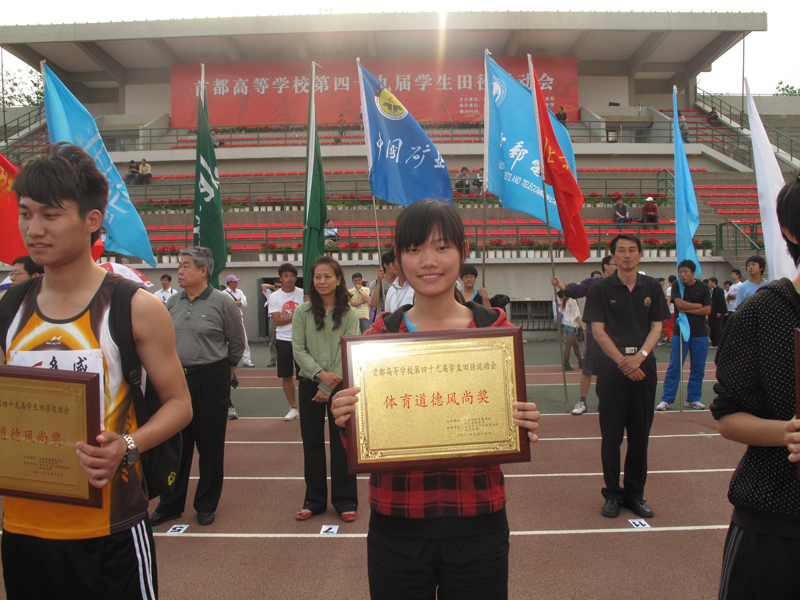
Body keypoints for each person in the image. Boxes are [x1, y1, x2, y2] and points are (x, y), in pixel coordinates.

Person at [2, 142, 192, 598]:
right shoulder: (9, 308)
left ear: (92, 220)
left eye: (50, 215)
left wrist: (127, 446)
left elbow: (179, 404)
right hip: (23, 525)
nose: (34, 229)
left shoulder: (134, 307)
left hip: (110, 527)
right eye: (26, 214)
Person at [331, 200, 540, 600]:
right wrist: (345, 419)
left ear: (463, 251)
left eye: (442, 247)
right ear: (398, 259)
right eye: (414, 249)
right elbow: (359, 442)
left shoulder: (495, 332)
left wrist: (523, 420)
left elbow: (509, 418)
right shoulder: (378, 340)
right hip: (398, 524)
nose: (428, 261)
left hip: (479, 520)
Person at [712, 177, 800, 599]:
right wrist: (787, 433)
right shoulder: (765, 311)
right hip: (777, 520)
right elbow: (728, 417)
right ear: (791, 232)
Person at [150, 247, 244, 529]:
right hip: (177, 380)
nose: (179, 271)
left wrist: (226, 371)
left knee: (210, 446)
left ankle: (206, 504)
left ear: (203, 271)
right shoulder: (172, 302)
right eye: (179, 265)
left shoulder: (222, 302)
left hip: (211, 378)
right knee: (176, 445)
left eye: (185, 266)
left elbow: (236, 342)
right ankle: (170, 504)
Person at [583, 234, 670, 519]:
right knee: (611, 437)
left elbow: (657, 327)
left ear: (640, 255)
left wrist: (639, 358)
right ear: (613, 257)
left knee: (639, 436)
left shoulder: (652, 287)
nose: (627, 255)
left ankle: (635, 494)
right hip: (612, 368)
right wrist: (623, 362)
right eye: (621, 250)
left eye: (632, 250)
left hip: (644, 367)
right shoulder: (600, 289)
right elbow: (598, 332)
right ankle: (612, 494)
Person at [292, 256, 359, 522]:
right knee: (312, 443)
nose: (322, 281)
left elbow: (349, 347)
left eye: (328, 276)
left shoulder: (350, 313)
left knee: (342, 444)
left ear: (338, 280)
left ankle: (345, 499)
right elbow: (298, 349)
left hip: (340, 385)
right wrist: (320, 377)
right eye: (317, 277)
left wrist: (328, 385)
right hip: (311, 382)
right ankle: (314, 499)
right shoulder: (302, 312)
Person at [550, 256, 616, 415]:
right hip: (595, 333)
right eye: (615, 264)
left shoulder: (622, 284)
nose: (618, 266)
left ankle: (605, 402)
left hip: (614, 334)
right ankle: (583, 401)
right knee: (588, 369)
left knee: (610, 370)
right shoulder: (593, 284)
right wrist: (559, 284)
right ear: (606, 266)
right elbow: (574, 290)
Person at [656, 260, 711, 411]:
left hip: (699, 333)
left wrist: (689, 309)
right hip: (680, 332)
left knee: (698, 368)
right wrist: (697, 306)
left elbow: (707, 310)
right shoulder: (677, 285)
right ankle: (666, 399)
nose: (682, 274)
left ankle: (693, 398)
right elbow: (679, 305)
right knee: (675, 366)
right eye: (680, 271)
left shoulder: (703, 287)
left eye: (686, 271)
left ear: (693, 273)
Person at [269, 262, 304, 421]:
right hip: (283, 339)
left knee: (305, 376)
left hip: (301, 340)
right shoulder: (275, 297)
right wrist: (298, 315)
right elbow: (278, 321)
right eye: (286, 276)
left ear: (296, 278)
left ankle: (306, 407)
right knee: (287, 375)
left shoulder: (303, 294)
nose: (289, 278)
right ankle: (293, 408)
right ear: (281, 278)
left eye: (292, 276)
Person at [224, 274, 256, 369]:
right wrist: (237, 302)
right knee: (228, 342)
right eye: (234, 281)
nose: (236, 283)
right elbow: (227, 305)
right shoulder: (224, 293)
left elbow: (244, 303)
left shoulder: (240, 292)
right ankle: (228, 361)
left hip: (239, 319)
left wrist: (238, 302)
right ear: (229, 282)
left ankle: (247, 361)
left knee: (244, 340)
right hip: (228, 320)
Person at [558, 289, 585, 371]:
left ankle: (581, 362)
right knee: (568, 345)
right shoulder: (572, 301)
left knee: (576, 344)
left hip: (566, 324)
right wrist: (582, 326)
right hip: (571, 325)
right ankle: (566, 364)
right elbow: (576, 315)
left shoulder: (565, 300)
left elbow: (562, 311)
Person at [370, 250, 396, 316]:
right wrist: (379, 282)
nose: (395, 267)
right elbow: (374, 304)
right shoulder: (375, 283)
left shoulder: (399, 283)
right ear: (385, 265)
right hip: (381, 319)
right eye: (393, 264)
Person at [261, 279, 280, 367]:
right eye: (276, 286)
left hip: (284, 318)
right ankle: (273, 359)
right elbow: (263, 286)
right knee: (273, 340)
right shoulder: (270, 294)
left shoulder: (285, 294)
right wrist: (273, 287)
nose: (277, 288)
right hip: (273, 318)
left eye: (279, 286)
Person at [708, 277, 726, 347]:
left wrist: (719, 311)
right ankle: (713, 341)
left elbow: (721, 301)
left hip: (717, 312)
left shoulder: (719, 290)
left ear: (714, 282)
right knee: (712, 327)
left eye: (710, 282)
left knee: (716, 327)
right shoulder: (712, 291)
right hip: (712, 312)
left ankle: (717, 343)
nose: (709, 284)